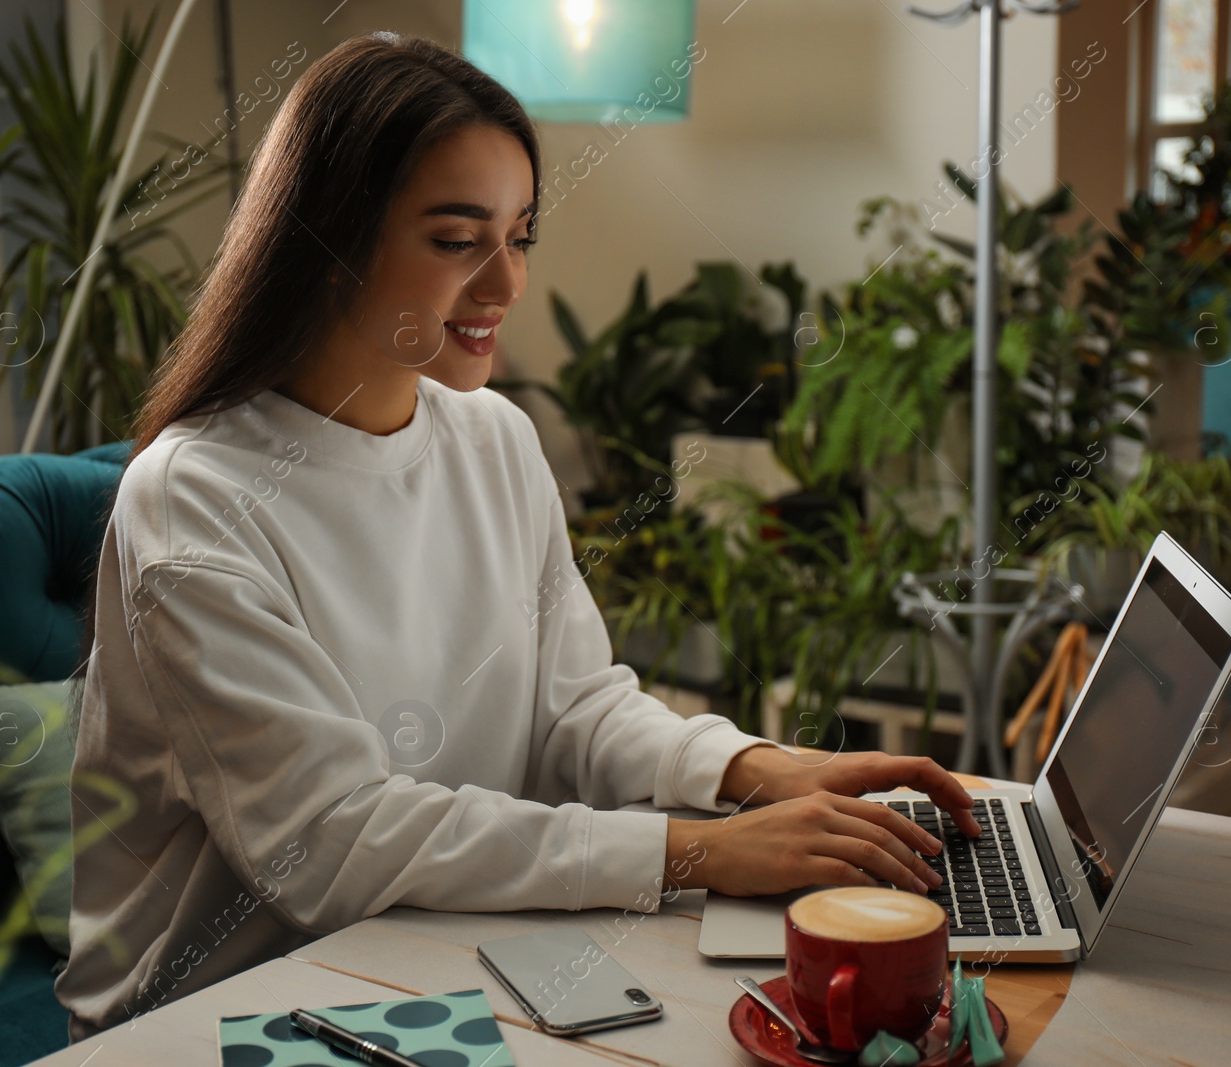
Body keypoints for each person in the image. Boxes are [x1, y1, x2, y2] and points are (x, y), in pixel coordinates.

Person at [54, 30, 979, 1041]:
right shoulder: (194, 498)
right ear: (325, 245)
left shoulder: (492, 437)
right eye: (457, 240)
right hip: (220, 1012)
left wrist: (751, 769)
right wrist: (700, 850)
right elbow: (330, 844)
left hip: (439, 954)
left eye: (520, 235)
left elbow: (573, 705)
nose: (504, 283)